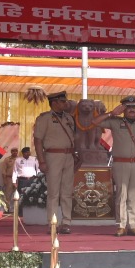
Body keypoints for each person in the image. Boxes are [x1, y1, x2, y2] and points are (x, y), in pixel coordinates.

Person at [99, 97, 135, 236]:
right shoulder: (115, 122)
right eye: (128, 107)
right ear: (123, 109)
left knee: (134, 195)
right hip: (120, 163)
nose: (131, 109)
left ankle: (133, 225)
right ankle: (121, 225)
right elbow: (94, 123)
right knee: (122, 194)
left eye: (134, 107)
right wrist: (112, 113)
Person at [32, 92, 77, 233]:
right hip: (53, 156)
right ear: (54, 102)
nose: (66, 103)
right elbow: (38, 141)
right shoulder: (44, 118)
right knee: (53, 192)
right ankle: (52, 223)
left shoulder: (69, 118)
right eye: (63, 101)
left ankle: (66, 222)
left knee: (67, 191)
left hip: (69, 156)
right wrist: (41, 161)